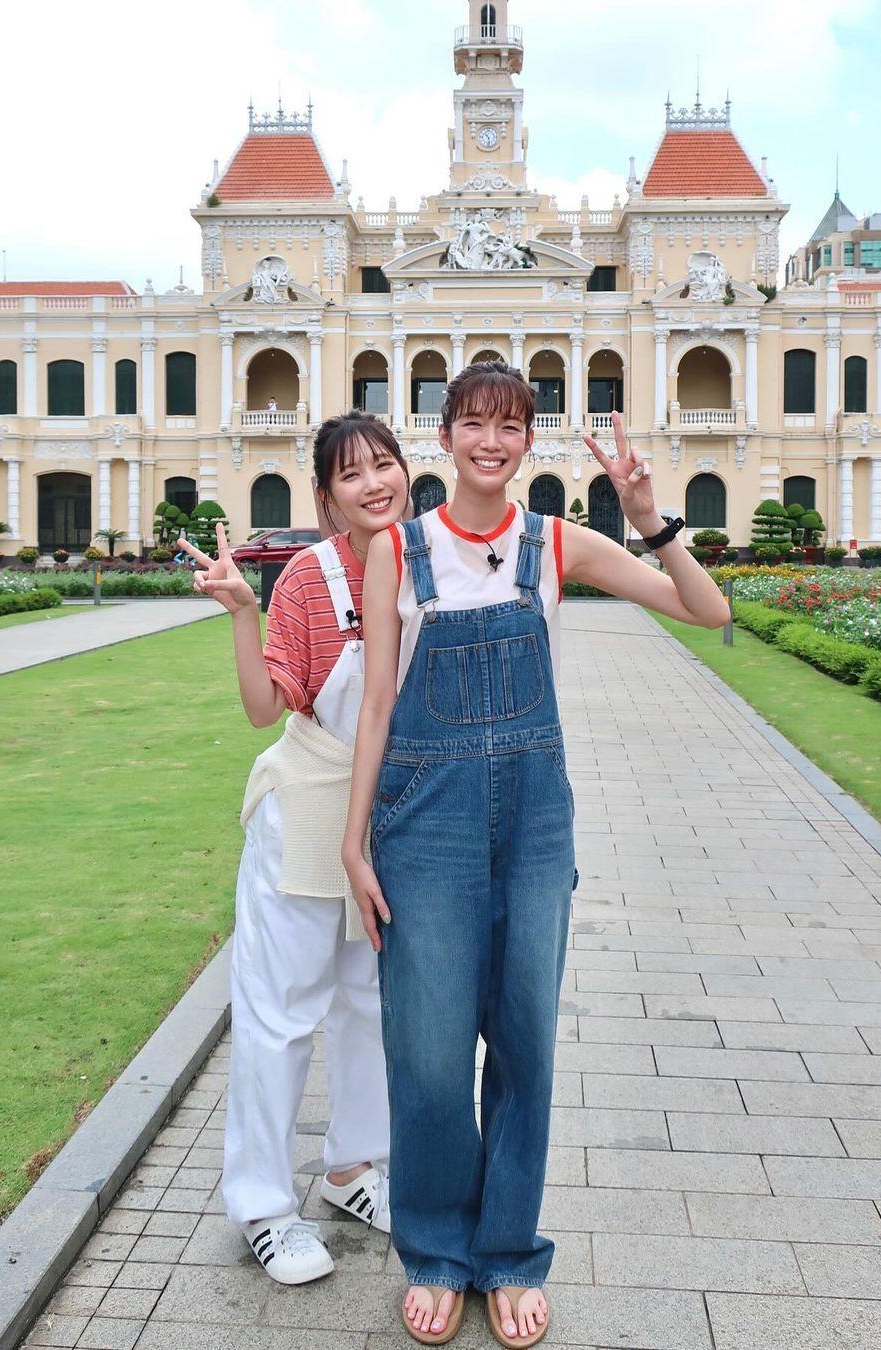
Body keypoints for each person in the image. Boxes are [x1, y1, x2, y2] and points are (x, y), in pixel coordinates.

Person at [341, 361, 729, 1346]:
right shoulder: (400, 546)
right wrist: (354, 841)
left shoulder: (557, 542)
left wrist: (652, 517)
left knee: (523, 1042)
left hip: (533, 825)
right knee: (426, 1052)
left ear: (529, 441)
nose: (491, 441)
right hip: (423, 821)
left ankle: (507, 1253)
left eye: (510, 425)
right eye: (473, 422)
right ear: (445, 437)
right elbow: (379, 702)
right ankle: (435, 1250)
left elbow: (706, 612)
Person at [179, 412, 411, 1285]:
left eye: (385, 464)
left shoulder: (424, 560)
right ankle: (265, 1207)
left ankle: (353, 1170)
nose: (373, 483)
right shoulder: (312, 579)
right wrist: (245, 609)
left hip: (393, 816)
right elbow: (264, 708)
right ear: (325, 498)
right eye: (351, 474)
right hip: (310, 811)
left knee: (372, 1005)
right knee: (280, 1015)